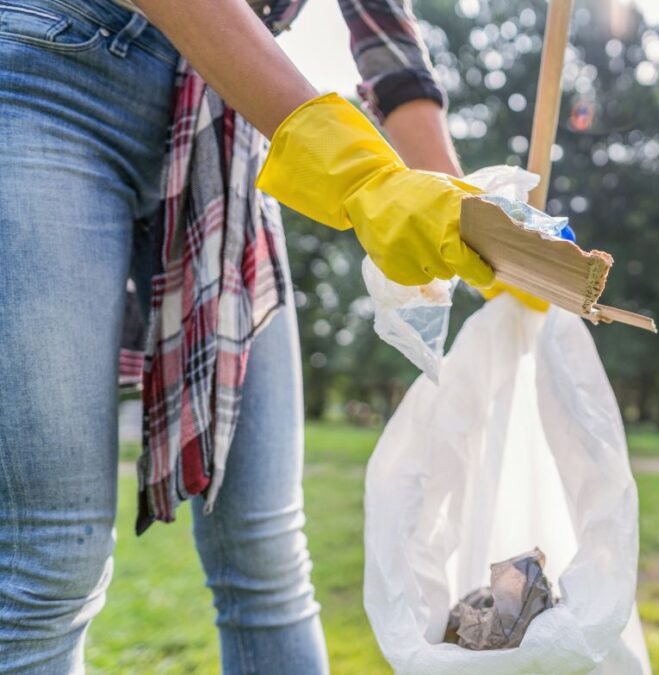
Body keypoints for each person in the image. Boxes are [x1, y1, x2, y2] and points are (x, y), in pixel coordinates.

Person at [0, 0, 520, 671]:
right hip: (51, 68)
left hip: (222, 116)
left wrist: (481, 228)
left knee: (266, 554)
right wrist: (361, 174)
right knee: (52, 559)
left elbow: (390, 48)